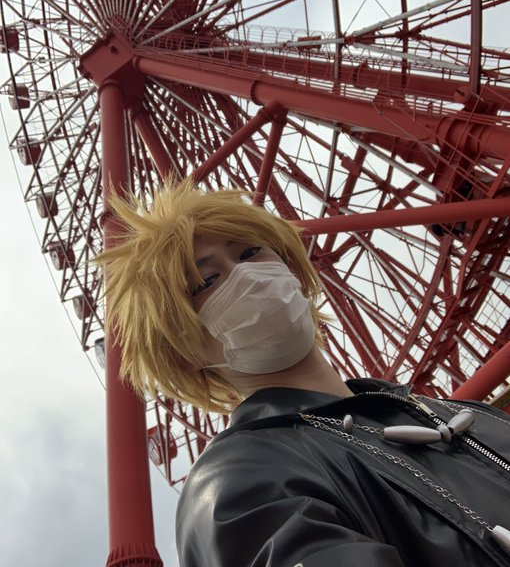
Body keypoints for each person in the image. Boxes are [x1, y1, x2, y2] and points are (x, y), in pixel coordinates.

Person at [97, 179, 510, 567]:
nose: (245, 276)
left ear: (292, 269)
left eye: (250, 253)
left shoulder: (465, 415)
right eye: (206, 282)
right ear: (182, 352)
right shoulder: (238, 481)